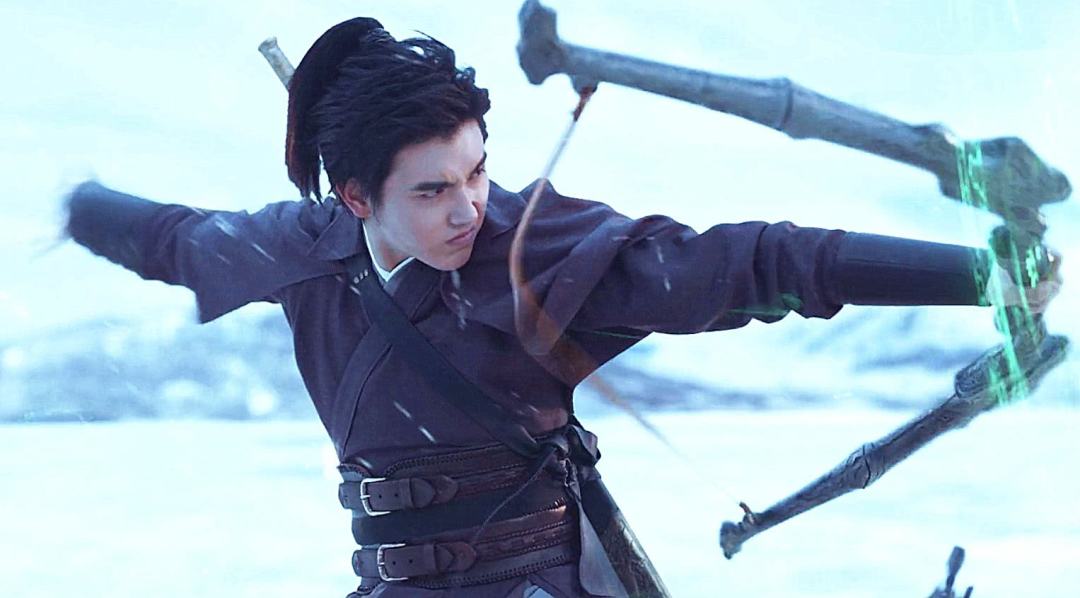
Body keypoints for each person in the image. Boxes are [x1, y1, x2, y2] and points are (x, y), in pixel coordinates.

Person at [63, 17, 1061, 598]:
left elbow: (751, 264)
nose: (469, 208)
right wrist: (77, 203)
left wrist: (980, 275)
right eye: (432, 190)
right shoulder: (302, 247)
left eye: (477, 171)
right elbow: (172, 240)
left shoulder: (531, 249)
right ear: (357, 198)